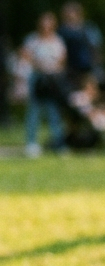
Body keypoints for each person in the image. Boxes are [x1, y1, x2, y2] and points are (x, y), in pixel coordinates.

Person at [23, 12, 67, 157]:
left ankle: (59, 143)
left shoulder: (57, 41)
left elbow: (62, 59)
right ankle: (31, 143)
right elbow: (26, 55)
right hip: (37, 78)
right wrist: (39, 66)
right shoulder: (32, 40)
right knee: (34, 110)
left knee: (53, 111)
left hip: (52, 79)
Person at [58, 1, 104, 90]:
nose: (70, 15)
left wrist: (97, 66)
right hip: (69, 68)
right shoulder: (61, 30)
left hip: (88, 66)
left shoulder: (89, 28)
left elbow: (97, 47)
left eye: (72, 12)